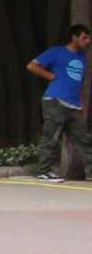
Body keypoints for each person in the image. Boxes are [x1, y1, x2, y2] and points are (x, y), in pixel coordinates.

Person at [27, 23, 89, 181]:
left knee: (83, 139)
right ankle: (43, 171)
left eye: (88, 38)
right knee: (52, 137)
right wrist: (51, 77)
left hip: (74, 105)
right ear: (74, 37)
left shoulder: (82, 58)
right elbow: (32, 66)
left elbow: (79, 83)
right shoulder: (57, 52)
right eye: (84, 37)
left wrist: (82, 104)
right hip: (55, 101)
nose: (87, 41)